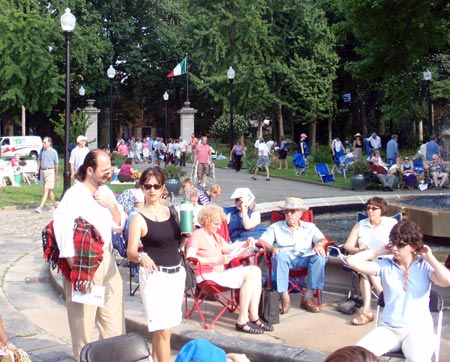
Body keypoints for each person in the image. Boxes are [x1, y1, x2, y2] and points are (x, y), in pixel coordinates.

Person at [52, 149, 126, 360]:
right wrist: (77, 269)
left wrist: (111, 205)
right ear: (90, 170)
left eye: (110, 168)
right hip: (84, 261)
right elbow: (62, 229)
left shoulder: (105, 192)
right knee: (83, 325)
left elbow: (117, 225)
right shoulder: (74, 196)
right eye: (104, 170)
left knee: (113, 321)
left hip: (107, 259)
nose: (109, 173)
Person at [347, 220, 450, 360]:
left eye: (400, 245)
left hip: (419, 331)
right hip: (389, 330)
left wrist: (430, 258)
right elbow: (352, 262)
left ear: (413, 247)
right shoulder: (385, 264)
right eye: (393, 243)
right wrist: (378, 251)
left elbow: (446, 281)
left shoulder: (424, 266)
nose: (395, 248)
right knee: (355, 356)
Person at [127, 168, 187, 362]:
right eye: (147, 186)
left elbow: (175, 243)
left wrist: (186, 238)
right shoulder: (138, 218)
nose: (151, 190)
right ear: (142, 188)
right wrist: (141, 256)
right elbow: (130, 252)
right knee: (162, 330)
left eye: (156, 186)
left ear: (163, 188)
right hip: (155, 277)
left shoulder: (170, 212)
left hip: (176, 274)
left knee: (166, 329)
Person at [186, 204, 273, 334]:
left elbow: (231, 250)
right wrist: (215, 260)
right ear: (206, 221)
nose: (219, 227)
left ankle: (253, 316)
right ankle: (242, 320)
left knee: (256, 270)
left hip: (219, 274)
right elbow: (190, 257)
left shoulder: (215, 236)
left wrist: (245, 244)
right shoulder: (198, 235)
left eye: (219, 224)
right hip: (206, 277)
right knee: (249, 274)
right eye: (215, 224)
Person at [258, 197, 328, 314]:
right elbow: (261, 241)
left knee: (319, 257)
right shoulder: (276, 227)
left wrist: (319, 245)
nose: (289, 214)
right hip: (285, 258)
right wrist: (272, 248)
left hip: (304, 258)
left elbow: (322, 239)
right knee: (279, 257)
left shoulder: (309, 227)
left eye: (293, 211)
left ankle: (307, 297)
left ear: (300, 213)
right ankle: (285, 298)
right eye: (286, 211)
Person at [344, 197, 398, 326]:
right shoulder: (360, 225)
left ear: (382, 210)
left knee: (365, 268)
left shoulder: (392, 223)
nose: (370, 211)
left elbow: (400, 242)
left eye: (374, 208)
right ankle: (381, 295)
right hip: (366, 259)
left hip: (387, 259)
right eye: (368, 208)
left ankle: (367, 310)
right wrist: (359, 249)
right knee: (366, 264)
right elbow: (347, 246)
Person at [35, 137, 59, 213]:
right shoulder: (42, 151)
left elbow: (57, 164)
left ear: (49, 143)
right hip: (42, 171)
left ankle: (40, 207)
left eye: (45, 142)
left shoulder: (53, 152)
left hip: (50, 171)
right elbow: (39, 160)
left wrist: (57, 174)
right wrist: (37, 170)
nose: (43, 144)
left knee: (46, 190)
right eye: (43, 142)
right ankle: (55, 205)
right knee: (48, 191)